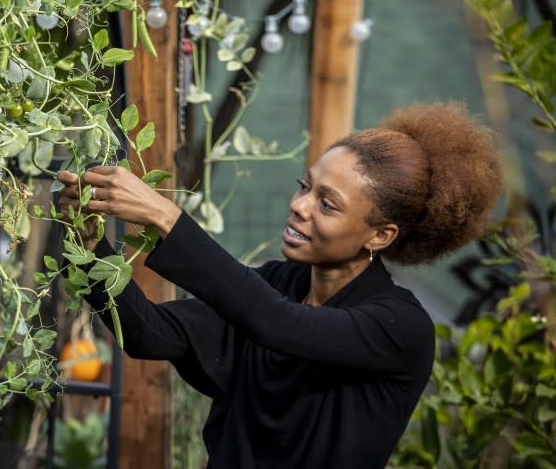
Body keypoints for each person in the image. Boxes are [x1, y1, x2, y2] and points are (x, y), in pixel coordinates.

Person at [56, 101, 503, 468]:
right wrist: (90, 249)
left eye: (327, 204)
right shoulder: (279, 282)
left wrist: (165, 217)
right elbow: (149, 332)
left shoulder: (399, 326)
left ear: (379, 235)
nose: (299, 206)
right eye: (304, 186)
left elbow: (276, 323)